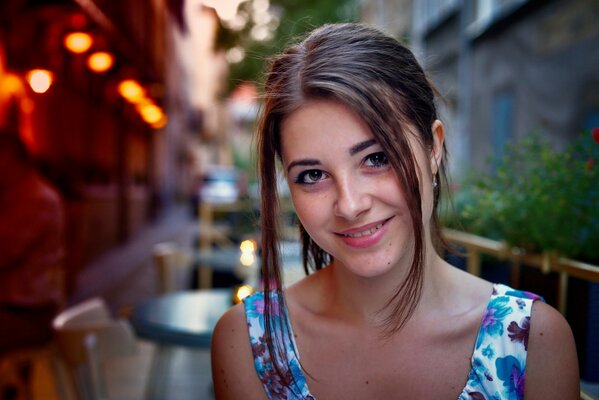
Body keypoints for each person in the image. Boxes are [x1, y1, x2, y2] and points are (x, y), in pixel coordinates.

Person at [211, 23, 579, 399]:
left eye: (377, 158)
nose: (350, 205)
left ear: (433, 148)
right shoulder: (247, 344)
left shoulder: (532, 341)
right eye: (313, 175)